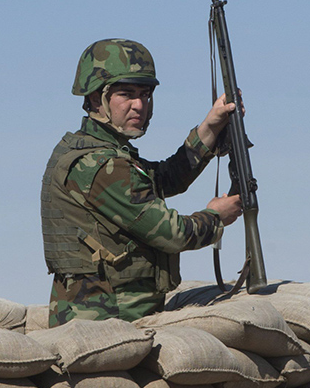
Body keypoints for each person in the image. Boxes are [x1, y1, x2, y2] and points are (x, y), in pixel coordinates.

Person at [40, 38, 243, 326]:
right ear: (97, 98)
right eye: (127, 94)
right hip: (109, 322)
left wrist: (210, 128)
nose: (139, 105)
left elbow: (162, 179)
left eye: (145, 94)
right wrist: (215, 217)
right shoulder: (100, 165)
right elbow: (172, 234)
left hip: (112, 315)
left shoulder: (101, 152)